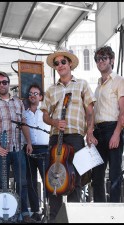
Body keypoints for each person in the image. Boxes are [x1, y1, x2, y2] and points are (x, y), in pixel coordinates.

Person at [40, 49, 97, 222]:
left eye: (63, 62)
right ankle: (55, 219)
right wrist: (54, 123)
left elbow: (90, 111)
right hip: (56, 137)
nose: (60, 66)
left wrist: (89, 132)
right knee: (54, 180)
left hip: (75, 137)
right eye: (56, 63)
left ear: (70, 64)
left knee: (75, 180)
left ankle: (74, 219)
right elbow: (45, 116)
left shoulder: (82, 84)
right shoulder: (50, 89)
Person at [0, 71, 36, 223]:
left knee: (22, 182)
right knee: (3, 183)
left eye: (4, 82)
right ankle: (5, 213)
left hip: (18, 148)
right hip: (2, 150)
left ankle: (24, 213)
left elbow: (24, 124)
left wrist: (28, 142)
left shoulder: (18, 102)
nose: (2, 85)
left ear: (9, 83)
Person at [91, 46, 124, 203]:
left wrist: (117, 133)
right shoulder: (97, 87)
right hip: (98, 132)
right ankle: (100, 214)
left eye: (104, 58)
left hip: (113, 129)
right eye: (97, 59)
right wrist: (90, 133)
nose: (100, 61)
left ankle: (116, 215)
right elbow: (93, 113)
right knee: (96, 176)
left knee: (114, 176)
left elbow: (123, 111)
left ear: (112, 59)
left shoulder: (119, 81)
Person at [24, 83, 50, 222]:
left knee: (47, 180)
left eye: (35, 93)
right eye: (30, 94)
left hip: (44, 149)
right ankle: (35, 210)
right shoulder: (24, 113)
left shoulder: (46, 111)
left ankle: (49, 208)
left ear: (40, 96)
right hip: (29, 148)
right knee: (31, 181)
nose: (32, 96)